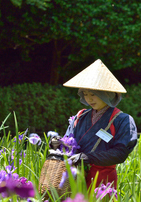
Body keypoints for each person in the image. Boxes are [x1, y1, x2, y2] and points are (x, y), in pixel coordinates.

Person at [51, 59, 137, 189]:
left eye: (93, 94)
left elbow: (120, 153)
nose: (88, 99)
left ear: (106, 94)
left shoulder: (122, 120)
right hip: (74, 179)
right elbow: (68, 143)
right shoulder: (80, 117)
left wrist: (89, 157)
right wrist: (58, 143)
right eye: (85, 94)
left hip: (103, 180)